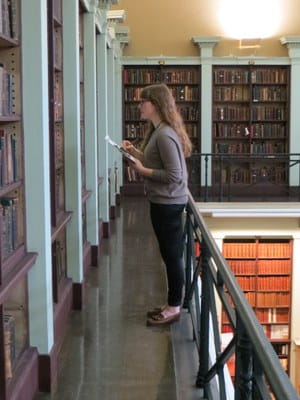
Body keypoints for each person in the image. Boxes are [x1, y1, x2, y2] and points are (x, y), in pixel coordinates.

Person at [122, 83, 192, 326]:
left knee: (172, 256)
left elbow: (175, 176)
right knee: (168, 254)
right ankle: (171, 303)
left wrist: (142, 171)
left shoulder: (164, 135)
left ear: (156, 104)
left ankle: (174, 308)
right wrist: (134, 153)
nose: (140, 105)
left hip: (169, 203)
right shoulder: (158, 131)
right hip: (164, 201)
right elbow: (156, 162)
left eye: (144, 101)